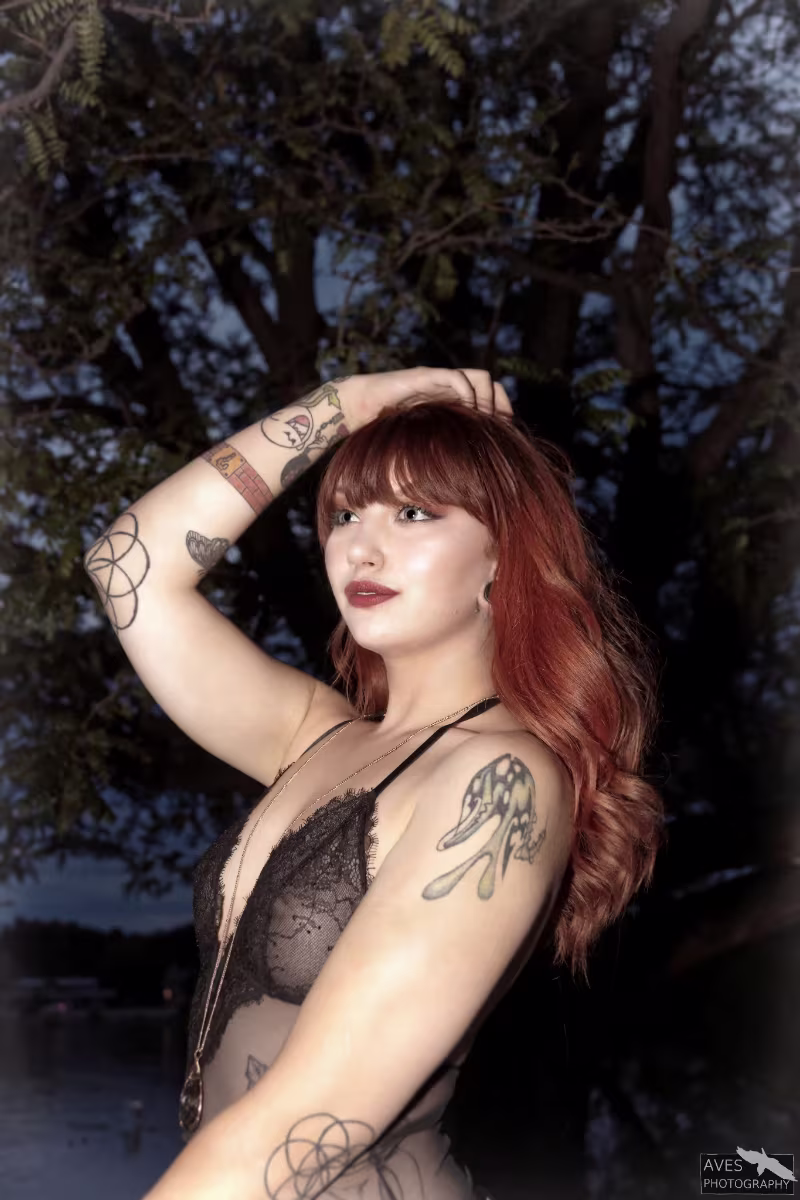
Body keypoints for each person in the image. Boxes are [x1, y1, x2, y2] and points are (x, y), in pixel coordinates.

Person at [83, 367, 665, 1200]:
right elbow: (129, 567)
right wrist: (345, 405)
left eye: (416, 513)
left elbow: (306, 1126)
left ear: (502, 554)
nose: (361, 546)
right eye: (346, 514)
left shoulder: (501, 783)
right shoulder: (314, 736)